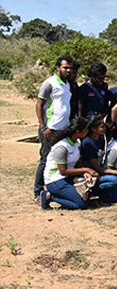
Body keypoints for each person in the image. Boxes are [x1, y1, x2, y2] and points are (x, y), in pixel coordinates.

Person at [34, 55, 73, 203]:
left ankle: (57, 189)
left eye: (70, 68)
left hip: (63, 129)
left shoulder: (67, 84)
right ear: (58, 68)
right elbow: (39, 105)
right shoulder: (49, 83)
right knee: (45, 159)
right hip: (50, 129)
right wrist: (43, 127)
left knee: (59, 159)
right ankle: (38, 192)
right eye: (65, 67)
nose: (68, 70)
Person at [40, 117, 97, 210]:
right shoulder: (62, 147)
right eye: (86, 130)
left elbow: (79, 162)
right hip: (56, 179)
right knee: (80, 205)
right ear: (78, 132)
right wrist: (86, 169)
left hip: (69, 177)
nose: (87, 131)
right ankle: (49, 196)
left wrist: (85, 173)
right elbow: (63, 171)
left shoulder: (77, 142)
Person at [82, 115, 117, 203]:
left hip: (102, 173)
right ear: (93, 129)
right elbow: (97, 168)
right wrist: (116, 172)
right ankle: (92, 190)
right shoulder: (87, 143)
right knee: (115, 180)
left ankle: (100, 192)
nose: (104, 128)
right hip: (93, 174)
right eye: (102, 127)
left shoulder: (101, 140)